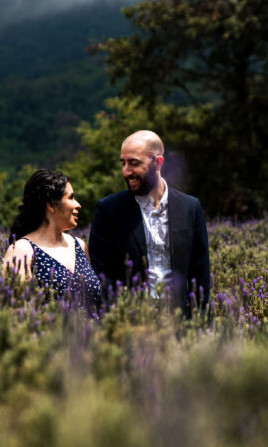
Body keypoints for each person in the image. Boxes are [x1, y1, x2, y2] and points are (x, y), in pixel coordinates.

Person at [88, 130, 210, 316]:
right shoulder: (109, 209)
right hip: (131, 324)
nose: (126, 171)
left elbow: (200, 272)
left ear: (158, 162)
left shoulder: (190, 207)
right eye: (123, 163)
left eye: (134, 163)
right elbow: (102, 274)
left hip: (180, 323)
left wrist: (200, 323)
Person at [3, 169, 101, 312]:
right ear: (51, 205)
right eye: (71, 198)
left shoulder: (80, 245)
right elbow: (16, 312)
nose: (78, 204)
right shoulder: (21, 250)